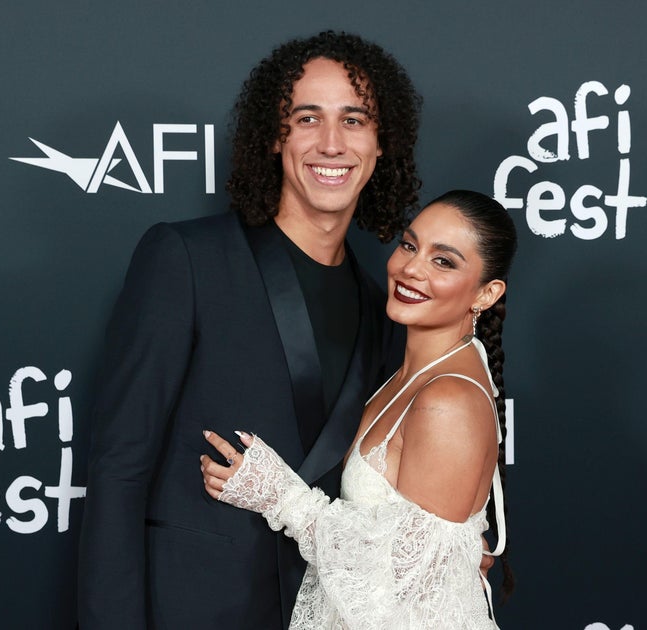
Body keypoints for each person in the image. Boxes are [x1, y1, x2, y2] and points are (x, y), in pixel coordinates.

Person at [77, 31, 421, 629]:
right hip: (195, 609)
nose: (332, 143)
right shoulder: (186, 258)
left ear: (381, 143)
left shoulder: (385, 311)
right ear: (273, 134)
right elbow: (118, 467)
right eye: (307, 117)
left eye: (355, 119)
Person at [201, 190, 517, 629]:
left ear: (486, 293)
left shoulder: (448, 400)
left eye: (443, 261)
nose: (411, 269)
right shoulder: (408, 374)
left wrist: (282, 497)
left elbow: (402, 585)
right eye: (410, 245)